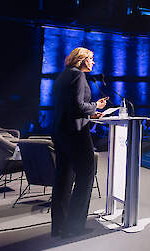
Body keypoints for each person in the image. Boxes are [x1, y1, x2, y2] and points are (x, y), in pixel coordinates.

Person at [51, 47, 108, 238]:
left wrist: (91, 114)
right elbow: (77, 106)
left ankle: (59, 227)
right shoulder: (78, 76)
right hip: (76, 134)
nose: (93, 62)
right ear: (82, 59)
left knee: (63, 179)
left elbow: (69, 107)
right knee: (85, 176)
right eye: (91, 58)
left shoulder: (63, 76)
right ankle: (74, 227)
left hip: (61, 132)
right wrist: (96, 105)